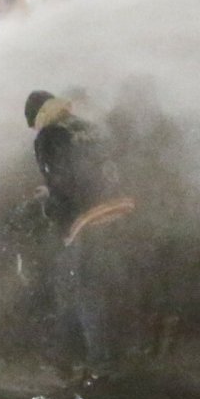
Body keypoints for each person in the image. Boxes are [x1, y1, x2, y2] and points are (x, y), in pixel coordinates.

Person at [24, 90, 136, 381]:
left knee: (82, 290)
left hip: (86, 218)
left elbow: (61, 181)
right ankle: (80, 356)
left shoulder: (49, 135)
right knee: (100, 286)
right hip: (119, 210)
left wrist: (57, 217)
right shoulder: (89, 126)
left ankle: (97, 363)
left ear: (38, 116)